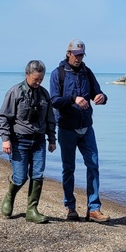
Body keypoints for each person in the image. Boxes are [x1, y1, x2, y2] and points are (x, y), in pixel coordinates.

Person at [48, 39, 109, 222]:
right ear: (68, 54)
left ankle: (94, 209)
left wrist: (101, 97)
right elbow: (54, 100)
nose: (78, 58)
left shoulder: (87, 73)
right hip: (67, 128)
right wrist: (74, 99)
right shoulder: (57, 74)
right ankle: (70, 208)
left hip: (87, 128)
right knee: (69, 169)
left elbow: (99, 93)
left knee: (93, 166)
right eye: (76, 55)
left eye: (81, 55)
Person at [0, 60, 57, 222]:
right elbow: (3, 118)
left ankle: (32, 210)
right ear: (27, 75)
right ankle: (10, 195)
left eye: (41, 80)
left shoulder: (44, 95)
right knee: (20, 177)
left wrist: (52, 139)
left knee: (37, 175)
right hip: (19, 142)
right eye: (35, 79)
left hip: (38, 142)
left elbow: (51, 119)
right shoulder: (14, 93)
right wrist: (5, 139)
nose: (38, 83)